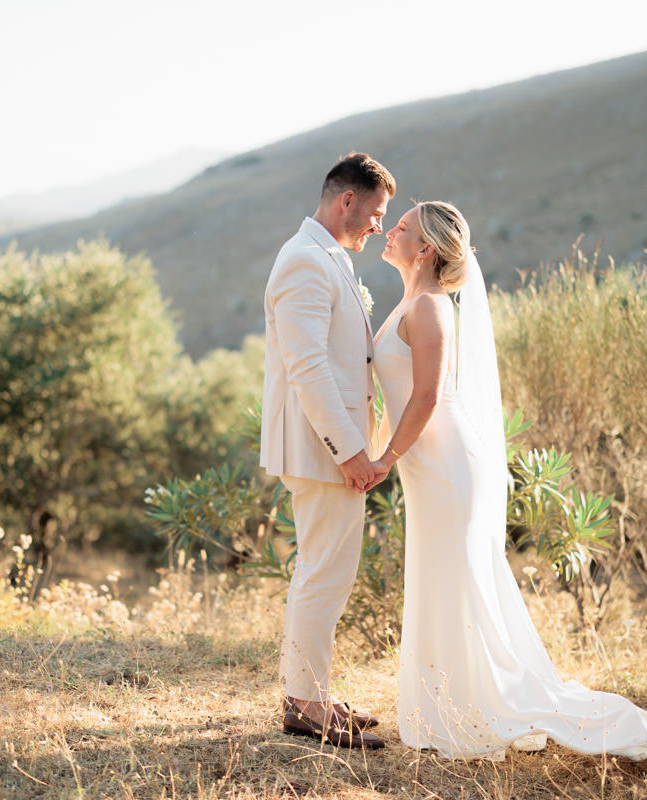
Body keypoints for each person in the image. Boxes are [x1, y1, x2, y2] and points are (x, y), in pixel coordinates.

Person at [370, 200, 647, 779]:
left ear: (426, 249)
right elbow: (398, 392)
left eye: (403, 227)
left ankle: (483, 708)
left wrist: (384, 457)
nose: (391, 231)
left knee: (458, 578)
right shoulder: (410, 302)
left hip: (447, 466)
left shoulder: (431, 308)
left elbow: (428, 398)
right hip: (426, 465)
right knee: (439, 577)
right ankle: (444, 707)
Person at [259, 152, 396, 749]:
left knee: (326, 572)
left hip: (330, 449)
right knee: (323, 574)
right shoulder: (304, 261)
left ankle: (307, 693)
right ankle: (308, 706)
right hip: (323, 451)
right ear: (347, 200)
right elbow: (309, 367)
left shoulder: (326, 257)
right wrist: (350, 452)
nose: (379, 226)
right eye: (376, 212)